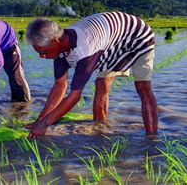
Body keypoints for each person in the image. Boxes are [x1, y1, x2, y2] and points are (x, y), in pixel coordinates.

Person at [24, 12, 158, 137]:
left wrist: (45, 124)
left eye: (43, 51)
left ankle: (152, 140)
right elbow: (60, 86)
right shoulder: (60, 50)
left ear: (55, 41)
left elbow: (74, 96)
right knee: (101, 84)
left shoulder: (85, 49)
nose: (42, 56)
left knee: (142, 87)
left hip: (137, 34)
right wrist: (39, 121)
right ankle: (101, 132)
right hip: (109, 39)